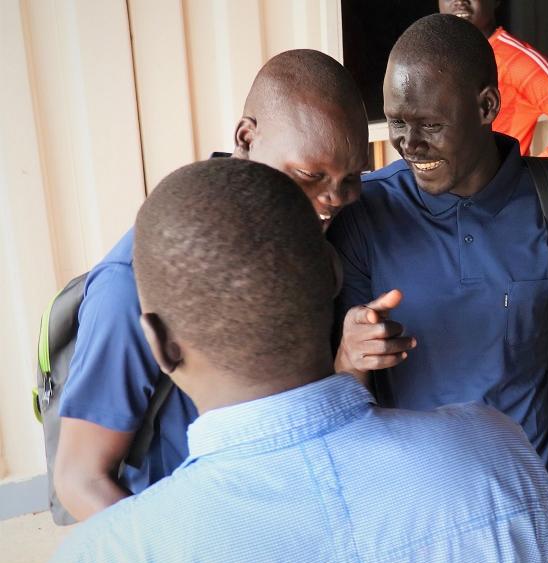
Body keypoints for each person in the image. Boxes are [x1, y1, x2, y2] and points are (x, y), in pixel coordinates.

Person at [46, 158, 548, 563]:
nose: (336, 194)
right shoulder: (498, 457)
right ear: (333, 282)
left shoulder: (107, 558)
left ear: (160, 345)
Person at [328, 14, 548, 563]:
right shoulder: (365, 216)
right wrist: (351, 356)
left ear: (486, 106)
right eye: (397, 123)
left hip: (531, 515)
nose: (409, 144)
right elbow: (343, 397)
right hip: (417, 529)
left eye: (430, 124)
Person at [53, 49, 369, 521]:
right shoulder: (130, 285)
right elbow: (80, 478)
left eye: (352, 178)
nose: (332, 199)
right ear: (246, 137)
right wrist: (166, 551)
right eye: (311, 175)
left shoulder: (318, 235)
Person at [438, 0, 548, 171]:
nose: (460, 1)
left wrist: (535, 175)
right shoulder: (434, 58)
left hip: (495, 185)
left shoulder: (516, 60)